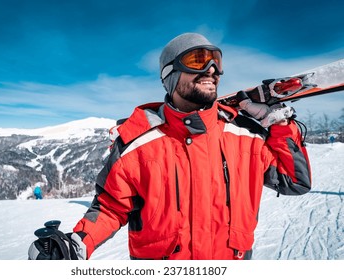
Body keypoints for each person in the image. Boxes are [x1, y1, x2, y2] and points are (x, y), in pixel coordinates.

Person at [29, 33, 311, 260]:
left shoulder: (245, 136)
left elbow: (295, 181)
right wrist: (77, 244)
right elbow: (111, 207)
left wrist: (278, 124)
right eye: (198, 60)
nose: (212, 70)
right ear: (171, 75)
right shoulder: (137, 144)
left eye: (216, 60)